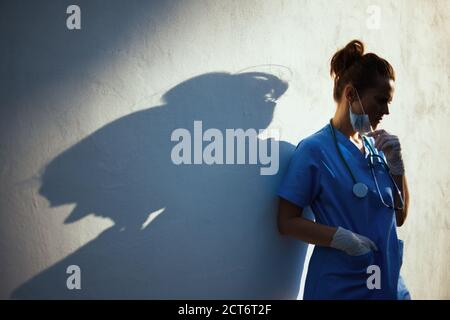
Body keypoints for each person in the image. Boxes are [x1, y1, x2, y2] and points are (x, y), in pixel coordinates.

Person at [277, 40, 411, 299]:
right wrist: (339, 237)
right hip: (340, 287)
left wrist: (398, 167)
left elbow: (400, 217)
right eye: (381, 101)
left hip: (388, 287)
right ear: (351, 94)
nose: (386, 111)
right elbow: (286, 221)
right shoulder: (314, 150)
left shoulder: (378, 148)